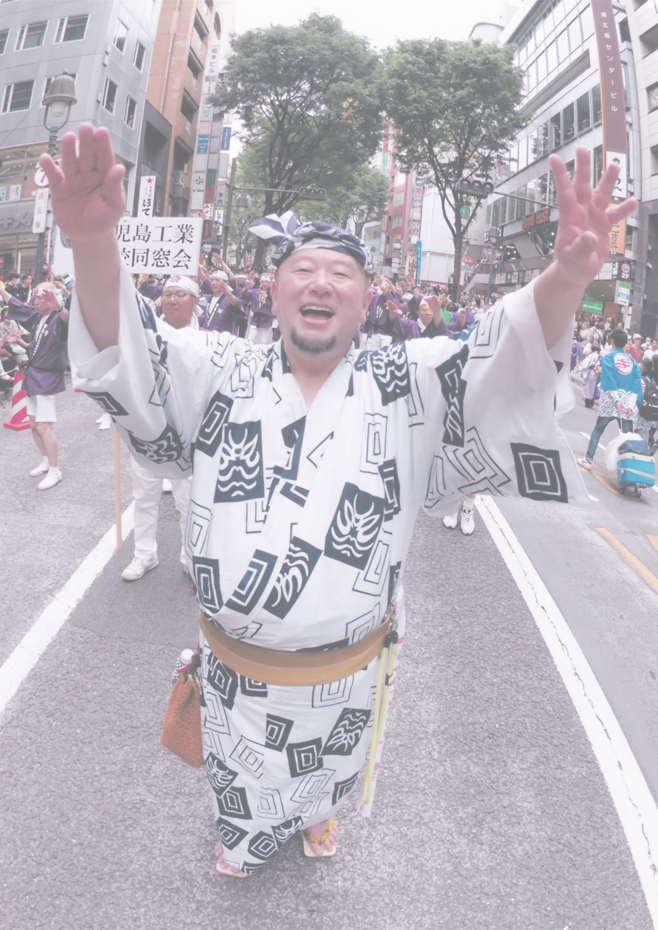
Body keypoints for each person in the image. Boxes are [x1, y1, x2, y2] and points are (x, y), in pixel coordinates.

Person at [41, 125, 636, 877]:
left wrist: (565, 277)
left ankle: (320, 813)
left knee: (330, 770)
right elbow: (131, 353)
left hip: (346, 672)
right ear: (276, 289)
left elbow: (504, 356)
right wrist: (94, 245)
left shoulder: (406, 382)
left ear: (365, 303)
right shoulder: (219, 368)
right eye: (302, 269)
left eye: (340, 274)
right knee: (242, 793)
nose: (319, 282)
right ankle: (247, 835)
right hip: (237, 674)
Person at [121, 275, 197, 581]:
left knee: (188, 501)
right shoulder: (141, 336)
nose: (173, 299)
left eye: (181, 294)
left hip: (189, 436)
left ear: (194, 301)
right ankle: (144, 554)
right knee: (145, 497)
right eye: (168, 294)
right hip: (147, 432)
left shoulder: (208, 341)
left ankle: (190, 557)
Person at [0, 280, 68, 490]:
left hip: (47, 377)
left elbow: (71, 322)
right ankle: (46, 461)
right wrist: (1, 289)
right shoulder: (37, 317)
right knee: (32, 423)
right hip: (34, 374)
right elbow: (17, 304)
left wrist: (59, 306)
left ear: (53, 299)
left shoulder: (58, 318)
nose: (36, 302)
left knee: (43, 426)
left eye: (41, 298)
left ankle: (55, 471)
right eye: (36, 298)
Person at [578, 328, 643, 469]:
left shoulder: (608, 357)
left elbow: (610, 380)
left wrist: (616, 400)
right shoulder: (633, 362)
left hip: (611, 401)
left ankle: (588, 459)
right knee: (627, 436)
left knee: (598, 429)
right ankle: (626, 468)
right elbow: (636, 385)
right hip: (627, 403)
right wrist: (631, 404)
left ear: (612, 341)